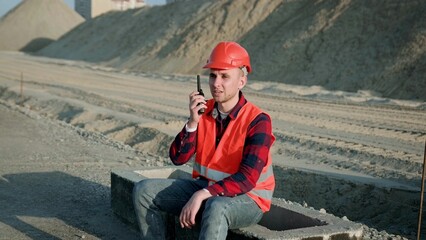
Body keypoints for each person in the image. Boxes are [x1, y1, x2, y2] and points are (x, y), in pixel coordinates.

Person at [133, 41, 275, 240]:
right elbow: (178, 158)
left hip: (248, 198)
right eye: (213, 75)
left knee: (217, 207)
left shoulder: (258, 121)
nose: (216, 83)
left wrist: (201, 195)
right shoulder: (203, 111)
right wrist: (192, 122)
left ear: (242, 81)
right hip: (209, 187)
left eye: (225, 76)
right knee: (143, 190)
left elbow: (247, 178)